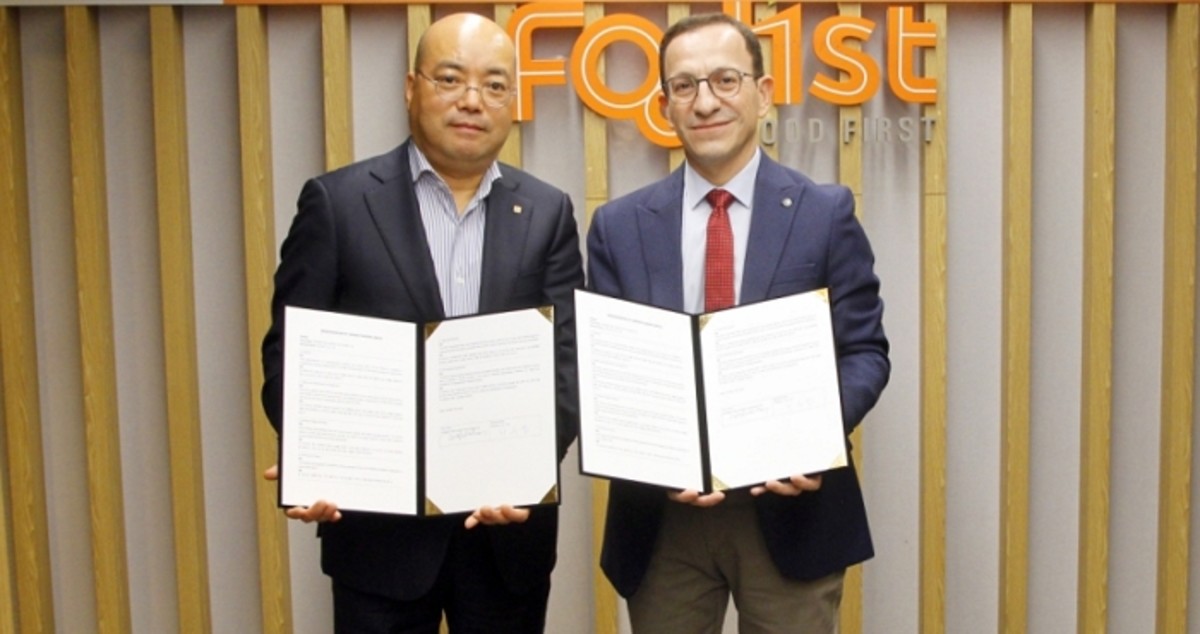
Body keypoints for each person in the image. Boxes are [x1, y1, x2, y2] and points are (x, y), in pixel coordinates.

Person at [259, 13, 583, 633]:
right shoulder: (338, 203)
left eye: (494, 85)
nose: (472, 100)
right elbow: (290, 356)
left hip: (506, 537)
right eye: (450, 78)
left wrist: (528, 469)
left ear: (513, 100)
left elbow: (567, 366)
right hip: (378, 538)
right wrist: (314, 456)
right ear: (412, 88)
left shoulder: (547, 211)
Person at [587, 13, 890, 634]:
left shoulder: (824, 213)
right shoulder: (618, 227)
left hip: (792, 513)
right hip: (662, 521)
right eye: (685, 86)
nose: (706, 102)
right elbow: (607, 370)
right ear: (664, 105)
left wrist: (813, 433)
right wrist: (650, 456)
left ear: (763, 91)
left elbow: (864, 351)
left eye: (726, 80)